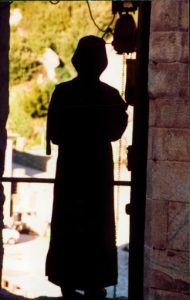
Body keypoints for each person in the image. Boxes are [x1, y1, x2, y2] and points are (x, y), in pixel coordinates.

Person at [46, 35, 128, 300]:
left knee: (68, 224)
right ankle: (95, 283)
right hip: (97, 172)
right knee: (97, 226)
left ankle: (67, 280)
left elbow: (56, 135)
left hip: (70, 170)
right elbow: (116, 131)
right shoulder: (111, 95)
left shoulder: (63, 92)